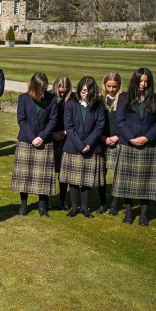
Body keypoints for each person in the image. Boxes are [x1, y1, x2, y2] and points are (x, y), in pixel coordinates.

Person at [112, 68, 156, 226]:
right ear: (135, 80)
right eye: (141, 80)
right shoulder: (124, 97)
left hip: (149, 145)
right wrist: (131, 138)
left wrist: (147, 137)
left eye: (146, 81)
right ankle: (128, 213)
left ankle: (143, 215)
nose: (143, 84)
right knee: (128, 182)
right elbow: (120, 121)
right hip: (129, 144)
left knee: (146, 183)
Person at [11, 73, 59, 217]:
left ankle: (42, 207)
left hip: (45, 142)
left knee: (43, 177)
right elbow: (21, 120)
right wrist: (32, 138)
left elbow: (53, 120)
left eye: (44, 89)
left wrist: (42, 137)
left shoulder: (51, 99)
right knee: (24, 176)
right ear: (33, 86)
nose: (42, 92)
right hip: (26, 140)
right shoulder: (23, 98)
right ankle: (24, 206)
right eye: (40, 89)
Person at [59, 77, 106, 218]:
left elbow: (100, 126)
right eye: (82, 90)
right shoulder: (70, 104)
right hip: (73, 146)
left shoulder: (98, 105)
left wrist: (89, 144)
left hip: (92, 148)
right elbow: (69, 126)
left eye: (87, 90)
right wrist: (80, 145)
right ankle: (74, 208)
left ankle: (85, 208)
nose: (84, 93)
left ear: (92, 91)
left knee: (87, 180)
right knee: (73, 180)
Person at [101, 72, 122, 215]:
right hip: (102, 140)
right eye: (108, 86)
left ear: (119, 86)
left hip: (118, 141)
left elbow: (127, 122)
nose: (111, 89)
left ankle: (114, 204)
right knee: (101, 172)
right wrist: (103, 138)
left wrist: (118, 136)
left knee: (118, 174)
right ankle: (103, 203)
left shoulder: (124, 100)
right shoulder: (100, 99)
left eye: (114, 87)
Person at [51, 76, 73, 210]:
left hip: (66, 138)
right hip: (51, 137)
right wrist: (52, 134)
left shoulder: (73, 99)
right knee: (49, 171)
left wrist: (65, 133)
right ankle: (46, 199)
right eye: (60, 89)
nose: (62, 92)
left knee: (64, 172)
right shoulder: (49, 96)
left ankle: (63, 199)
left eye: (65, 90)